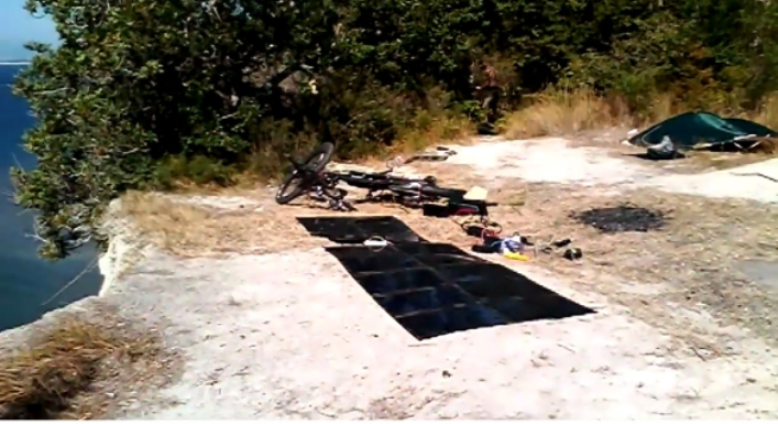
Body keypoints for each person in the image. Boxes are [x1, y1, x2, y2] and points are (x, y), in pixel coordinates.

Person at [473, 61, 502, 130]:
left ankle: (488, 122)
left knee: (485, 106)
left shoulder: (488, 71)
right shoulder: (492, 70)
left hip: (492, 90)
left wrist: (481, 88)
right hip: (496, 90)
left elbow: (490, 82)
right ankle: (494, 123)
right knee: (493, 107)